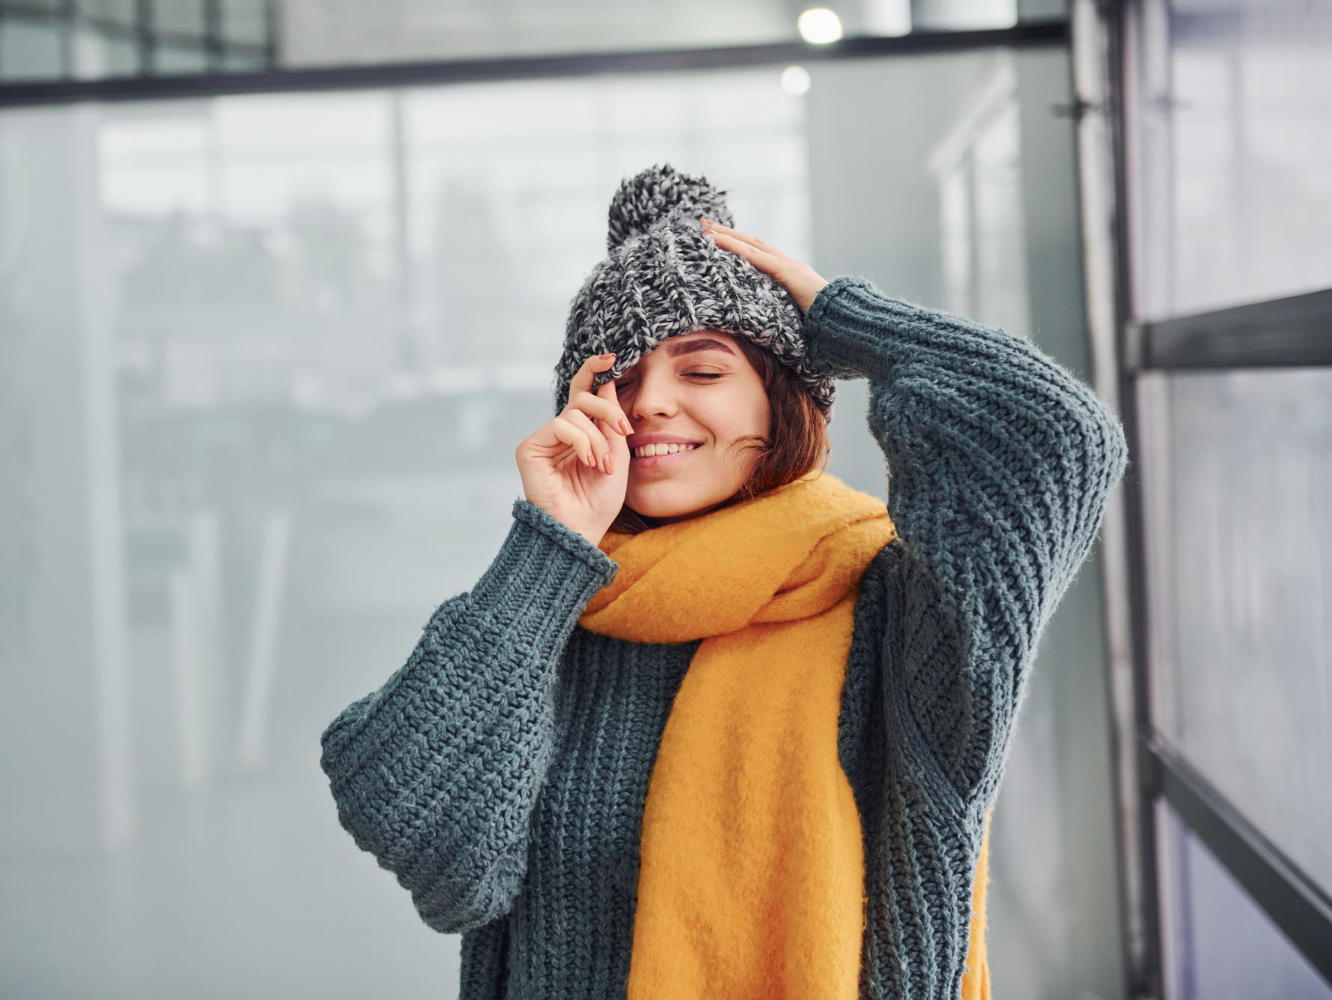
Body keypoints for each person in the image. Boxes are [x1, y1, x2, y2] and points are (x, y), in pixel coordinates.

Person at [319, 163, 1128, 1000]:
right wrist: (553, 541)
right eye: (617, 379)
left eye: (701, 372)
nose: (649, 404)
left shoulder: (893, 604)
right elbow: (422, 836)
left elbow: (1058, 439)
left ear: (783, 403)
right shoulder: (550, 608)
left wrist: (843, 319)